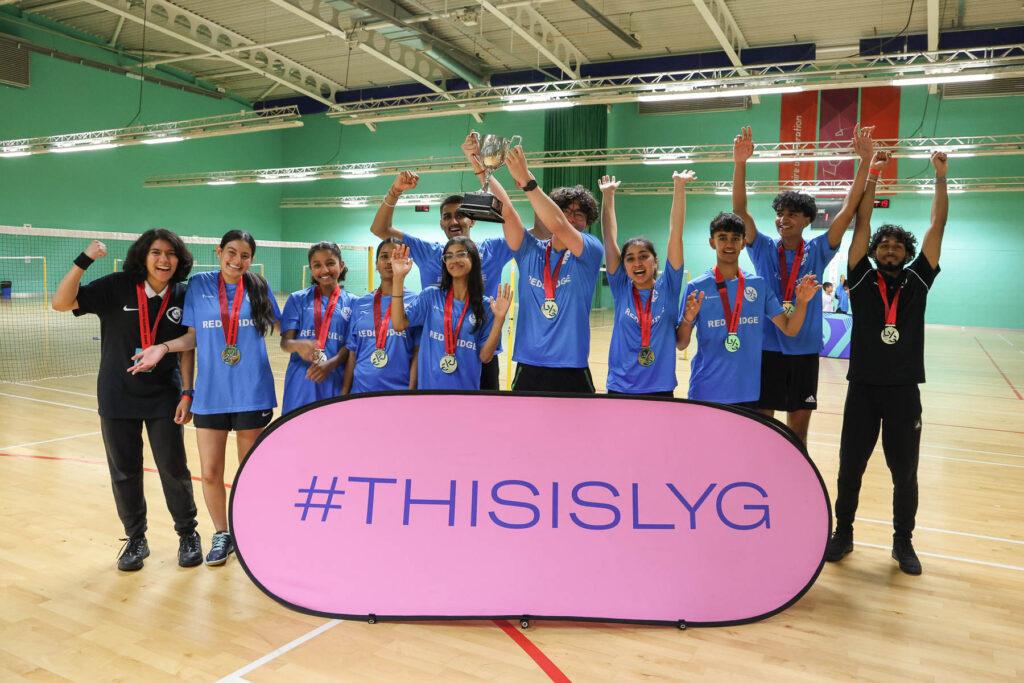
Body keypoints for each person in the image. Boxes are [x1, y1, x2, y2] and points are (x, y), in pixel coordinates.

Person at [825, 151, 948, 576]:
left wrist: (941, 178)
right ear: (875, 251)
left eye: (897, 245)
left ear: (907, 252)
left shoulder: (918, 279)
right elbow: (862, 222)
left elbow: (937, 227)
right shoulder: (860, 278)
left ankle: (903, 542)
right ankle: (843, 534)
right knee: (850, 468)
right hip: (863, 388)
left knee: (905, 473)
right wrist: (872, 175)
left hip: (903, 392)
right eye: (884, 244)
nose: (890, 249)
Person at [51, 230, 201, 571]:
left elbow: (191, 343)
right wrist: (84, 260)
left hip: (165, 395)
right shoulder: (116, 286)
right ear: (143, 256)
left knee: (174, 468)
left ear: (180, 260)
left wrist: (187, 392)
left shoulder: (183, 293)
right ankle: (136, 539)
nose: (164, 260)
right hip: (117, 394)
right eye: (156, 253)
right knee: (125, 471)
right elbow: (61, 302)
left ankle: (187, 534)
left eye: (171, 254)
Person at [131, 230, 280, 566]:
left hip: (252, 394)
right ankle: (222, 534)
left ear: (251, 259)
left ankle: (255, 530)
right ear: (218, 251)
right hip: (211, 396)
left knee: (250, 470)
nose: (236, 261)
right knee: (210, 472)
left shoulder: (258, 286)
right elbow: (190, 340)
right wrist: (167, 354)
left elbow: (285, 331)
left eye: (244, 255)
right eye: (231, 252)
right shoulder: (198, 286)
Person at [732, 124, 875, 443]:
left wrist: (865, 161)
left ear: (808, 220)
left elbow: (850, 208)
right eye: (780, 214)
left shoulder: (819, 249)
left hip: (804, 353)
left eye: (793, 214)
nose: (784, 219)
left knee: (797, 434)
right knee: (762, 431)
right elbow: (740, 211)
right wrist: (740, 163)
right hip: (767, 350)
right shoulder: (764, 248)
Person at [370, 161, 513, 390]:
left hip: (480, 350)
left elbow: (531, 235)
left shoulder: (493, 250)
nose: (454, 221)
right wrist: (395, 191)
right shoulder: (429, 252)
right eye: (447, 216)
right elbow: (380, 229)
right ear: (441, 223)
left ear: (473, 219)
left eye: (461, 215)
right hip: (435, 354)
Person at [676, 213, 819, 407]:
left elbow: (789, 328)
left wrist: (802, 302)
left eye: (735, 239)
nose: (729, 244)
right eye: (722, 238)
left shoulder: (758, 285)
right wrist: (687, 318)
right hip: (707, 389)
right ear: (712, 242)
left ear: (743, 243)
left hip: (748, 393)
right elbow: (681, 344)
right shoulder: (696, 287)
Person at [501, 144, 605, 393]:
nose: (571, 218)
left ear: (587, 222)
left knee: (579, 430)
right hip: (529, 363)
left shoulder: (589, 249)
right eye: (565, 211)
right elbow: (506, 210)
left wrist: (528, 180)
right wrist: (483, 173)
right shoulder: (531, 250)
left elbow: (559, 226)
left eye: (579, 214)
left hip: (571, 366)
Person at [601, 170, 690, 396]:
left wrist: (679, 187)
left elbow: (675, 233)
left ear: (655, 261)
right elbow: (609, 239)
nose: (637, 262)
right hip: (620, 387)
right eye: (630, 258)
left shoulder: (668, 285)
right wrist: (608, 196)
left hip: (659, 388)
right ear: (624, 265)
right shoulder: (621, 287)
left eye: (643, 256)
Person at [390, 238, 512, 389]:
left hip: (465, 394)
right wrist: (398, 279)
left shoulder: (486, 306)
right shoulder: (431, 296)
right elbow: (398, 324)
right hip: (430, 392)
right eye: (449, 256)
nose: (454, 260)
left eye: (461, 254)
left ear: (473, 258)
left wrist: (499, 319)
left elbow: (485, 357)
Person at [279, 242, 353, 413]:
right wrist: (298, 345)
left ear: (341, 266)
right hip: (302, 382)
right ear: (311, 269)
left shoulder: (354, 302)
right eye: (317, 265)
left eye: (330, 263)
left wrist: (331, 364)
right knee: (298, 434)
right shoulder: (297, 299)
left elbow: (351, 346)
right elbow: (285, 342)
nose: (325, 270)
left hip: (335, 381)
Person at [343, 238, 420, 394]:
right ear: (376, 264)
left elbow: (418, 351)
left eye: (396, 256)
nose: (390, 262)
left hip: (398, 392)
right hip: (361, 391)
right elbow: (352, 352)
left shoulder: (415, 302)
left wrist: (411, 391)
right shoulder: (360, 303)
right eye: (384, 256)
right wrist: (344, 392)